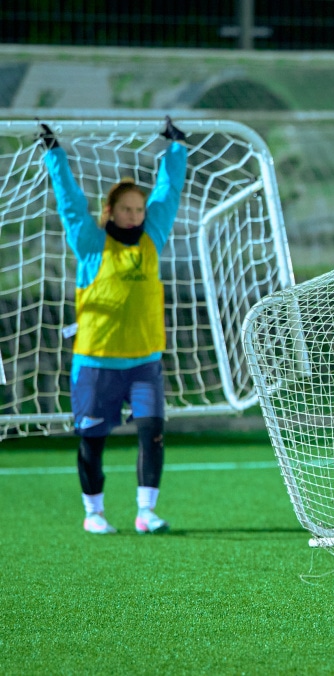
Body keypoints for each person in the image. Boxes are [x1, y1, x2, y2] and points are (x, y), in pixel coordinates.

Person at [40, 117, 188, 535]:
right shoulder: (90, 242)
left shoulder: (153, 236)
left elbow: (168, 192)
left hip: (144, 361)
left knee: (152, 432)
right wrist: (54, 153)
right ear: (110, 210)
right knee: (92, 440)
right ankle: (94, 513)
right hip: (96, 361)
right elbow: (69, 201)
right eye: (126, 208)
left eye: (139, 208)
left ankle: (146, 512)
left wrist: (175, 149)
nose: (134, 214)